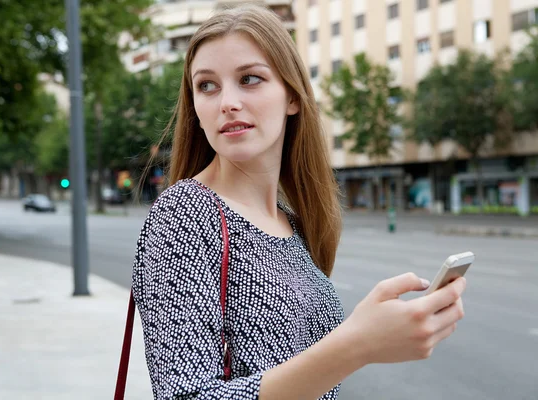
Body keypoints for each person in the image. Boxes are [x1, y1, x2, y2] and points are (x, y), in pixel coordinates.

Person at [131, 4, 466, 399]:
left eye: (250, 79)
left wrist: (377, 331)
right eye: (207, 85)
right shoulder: (184, 213)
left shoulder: (293, 223)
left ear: (292, 96)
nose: (227, 102)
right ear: (196, 110)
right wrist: (356, 345)